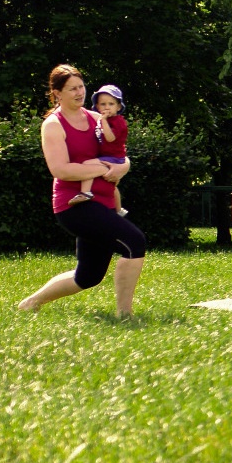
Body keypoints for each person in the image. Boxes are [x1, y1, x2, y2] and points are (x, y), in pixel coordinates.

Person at [17, 65, 146, 318]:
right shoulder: (54, 125)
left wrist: (125, 167)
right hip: (74, 206)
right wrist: (100, 170)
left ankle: (30, 302)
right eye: (72, 88)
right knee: (134, 242)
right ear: (57, 93)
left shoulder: (96, 117)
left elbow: (117, 152)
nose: (79, 92)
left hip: (105, 201)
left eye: (81, 86)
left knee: (88, 277)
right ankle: (125, 314)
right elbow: (60, 170)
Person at [70, 84, 129, 216]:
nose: (106, 107)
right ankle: (119, 210)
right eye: (102, 104)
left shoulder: (118, 121)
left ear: (118, 107)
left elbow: (110, 138)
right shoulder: (104, 120)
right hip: (108, 156)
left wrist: (103, 121)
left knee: (87, 165)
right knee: (112, 186)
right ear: (97, 106)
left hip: (114, 158)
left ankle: (85, 192)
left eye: (111, 104)